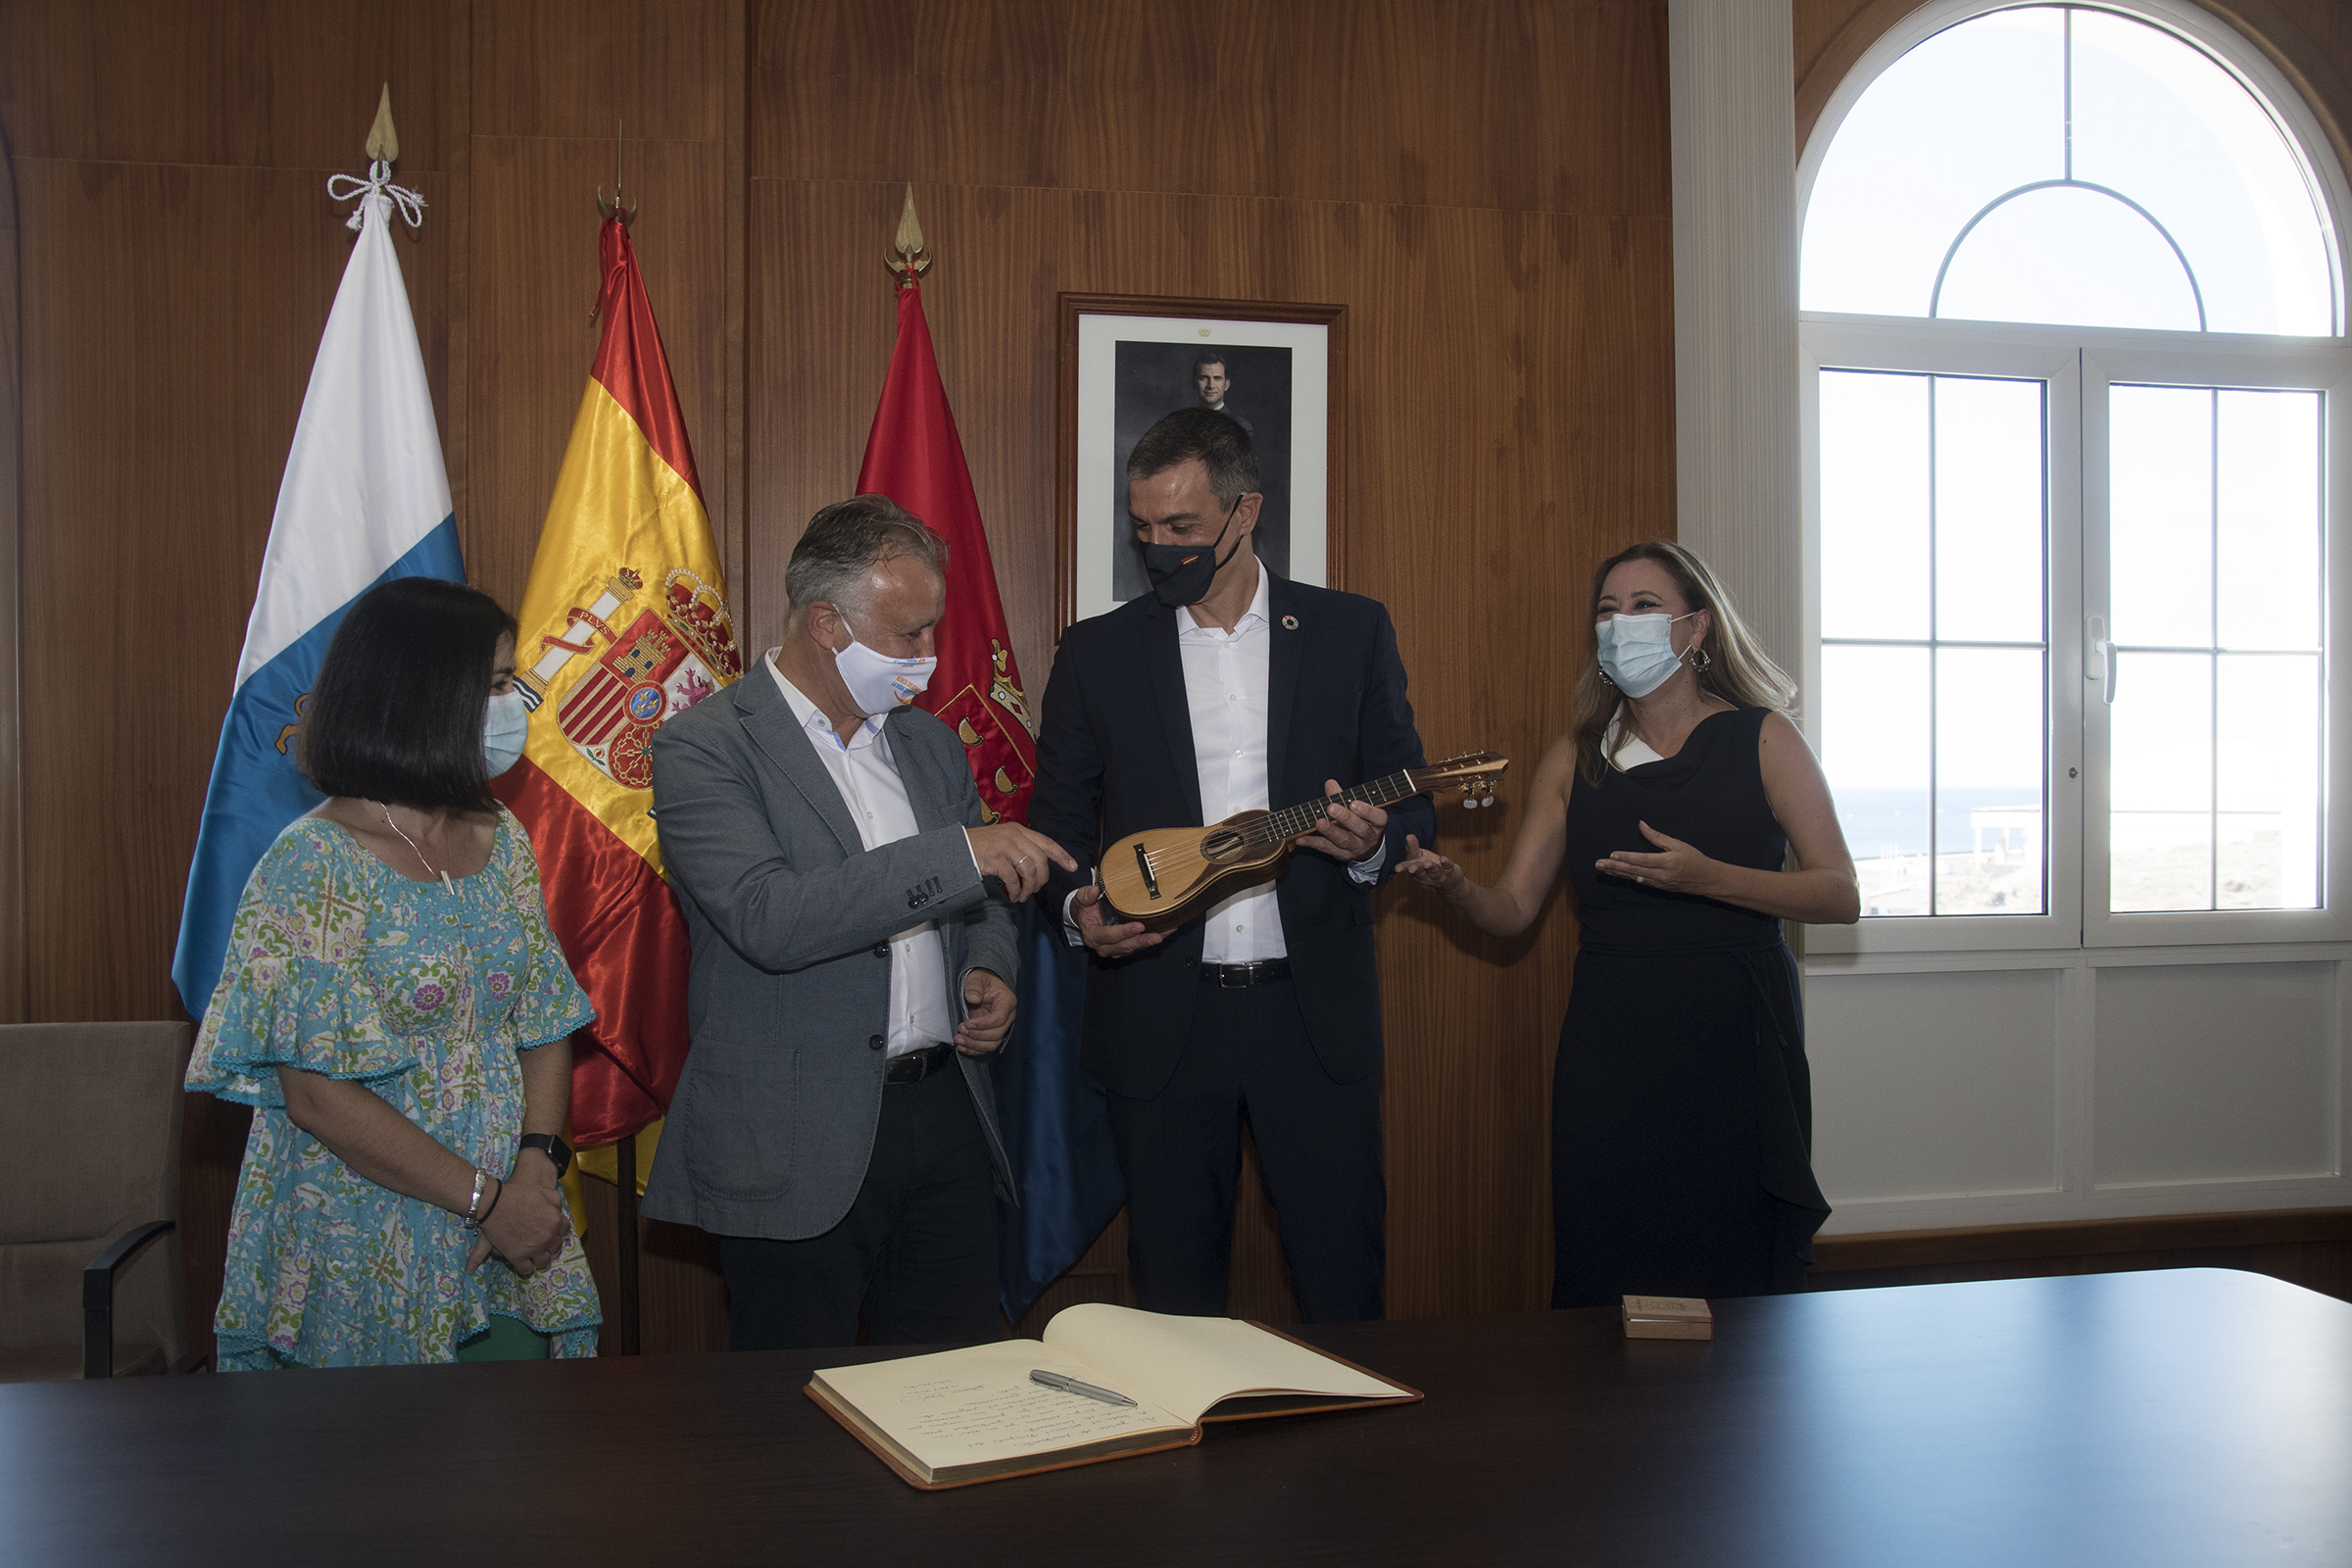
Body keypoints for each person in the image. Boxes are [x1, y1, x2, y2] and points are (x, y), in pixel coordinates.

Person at [641, 496, 1073, 1350]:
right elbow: (770, 918)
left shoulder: (928, 745)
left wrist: (989, 969)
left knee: (953, 1392)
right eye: (907, 635)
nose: (929, 656)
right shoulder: (705, 746)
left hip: (945, 1117)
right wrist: (958, 855)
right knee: (793, 1427)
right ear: (827, 622)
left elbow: (982, 895)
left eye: (933, 630)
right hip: (797, 1131)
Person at [1031, 408, 1434, 1323]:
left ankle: (1358, 1458)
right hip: (1162, 1023)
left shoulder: (1350, 633)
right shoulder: (1098, 652)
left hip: (1313, 1015)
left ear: (1245, 511)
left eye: (1182, 528)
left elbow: (1414, 800)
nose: (1158, 547)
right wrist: (1076, 911)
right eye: (1143, 529)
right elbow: (1054, 825)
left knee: (1344, 1279)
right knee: (1172, 1294)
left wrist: (1374, 842)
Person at [1396, 540, 1859, 1306]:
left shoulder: (1766, 737)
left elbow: (1839, 894)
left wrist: (1709, 878)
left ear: (1696, 628)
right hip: (1612, 1043)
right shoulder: (1575, 759)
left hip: (1735, 1036)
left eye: (1645, 607)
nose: (1621, 626)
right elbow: (1511, 911)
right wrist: (1452, 885)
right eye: (1608, 611)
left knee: (1731, 1255)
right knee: (1610, 1249)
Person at [184, 577, 600, 1368]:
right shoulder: (310, 866)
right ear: (418, 699)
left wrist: (536, 1172)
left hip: (512, 1228)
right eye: (495, 686)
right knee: (385, 1485)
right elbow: (316, 1097)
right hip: (363, 1238)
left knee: (526, 1479)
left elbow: (545, 1020)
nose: (515, 705)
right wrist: (486, 1201)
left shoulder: (500, 834)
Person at [1190, 353, 1251, 432]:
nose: (1211, 385)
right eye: (1204, 378)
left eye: (1217, 378)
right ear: (1193, 383)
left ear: (1226, 384)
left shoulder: (1240, 426)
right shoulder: (1183, 423)